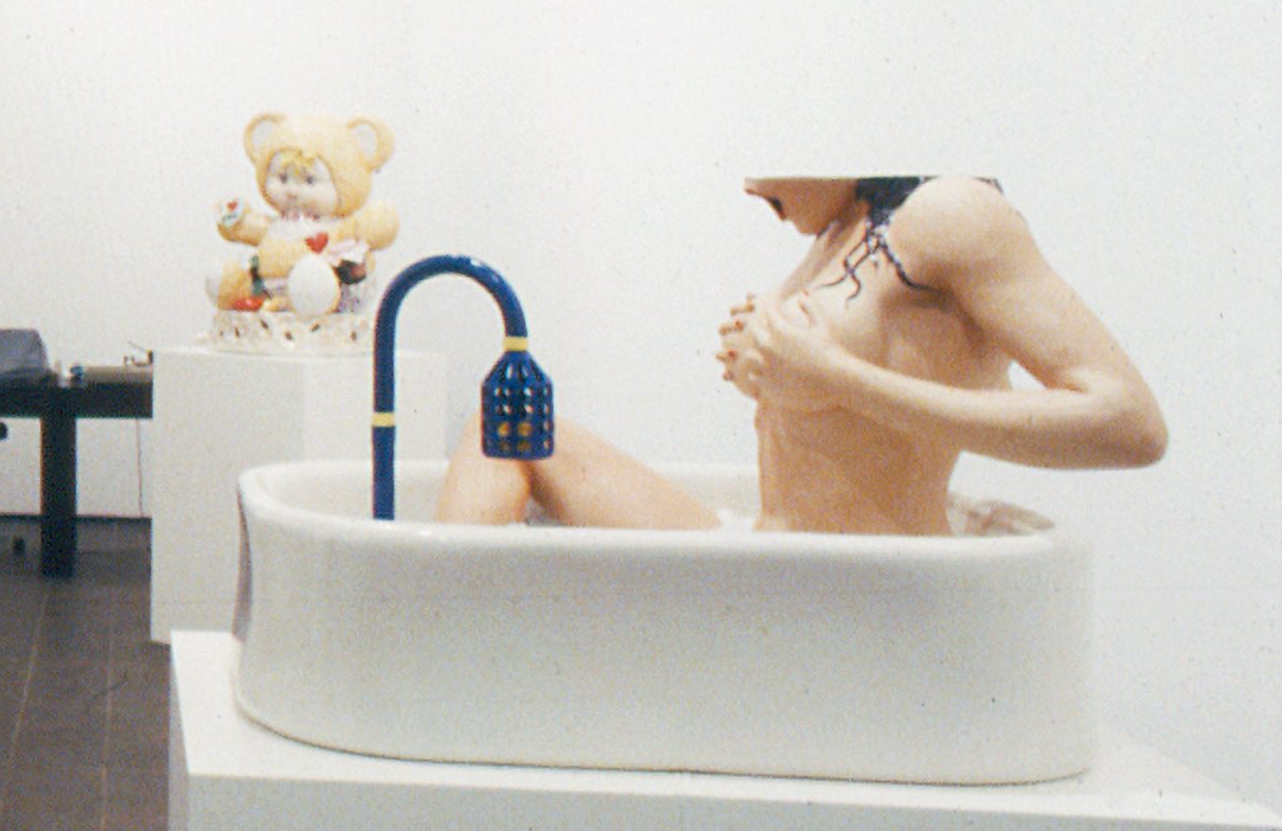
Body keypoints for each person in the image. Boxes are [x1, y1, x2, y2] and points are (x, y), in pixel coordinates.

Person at [437, 175, 1163, 537]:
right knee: (501, 430)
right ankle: (439, 652)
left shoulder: (953, 211)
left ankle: (442, 670)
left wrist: (840, 378)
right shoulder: (844, 225)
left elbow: (1129, 425)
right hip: (772, 554)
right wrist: (765, 369)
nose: (753, 184)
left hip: (861, 590)